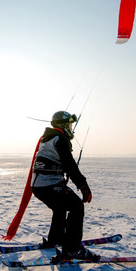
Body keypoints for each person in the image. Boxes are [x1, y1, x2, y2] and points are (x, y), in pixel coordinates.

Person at [31, 111, 98, 261]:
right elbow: (70, 166)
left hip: (38, 187)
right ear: (63, 125)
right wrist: (84, 187)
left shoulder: (47, 138)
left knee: (60, 207)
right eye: (69, 124)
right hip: (49, 185)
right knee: (76, 206)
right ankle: (73, 250)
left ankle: (55, 239)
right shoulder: (60, 139)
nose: (71, 127)